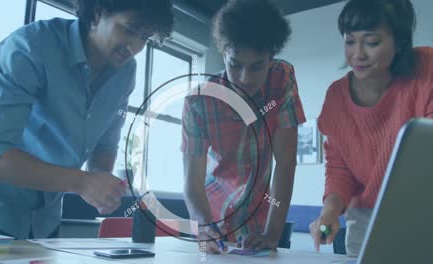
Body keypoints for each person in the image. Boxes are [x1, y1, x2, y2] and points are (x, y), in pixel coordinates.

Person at [0, 0, 174, 239]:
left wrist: (101, 181)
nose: (135, 47)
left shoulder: (126, 73)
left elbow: (105, 145)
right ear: (97, 13)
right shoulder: (31, 46)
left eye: (145, 38)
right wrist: (82, 183)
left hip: (49, 209)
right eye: (129, 30)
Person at [309, 0, 433, 257]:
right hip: (367, 219)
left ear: (399, 42)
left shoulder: (427, 68)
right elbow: (339, 167)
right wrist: (329, 212)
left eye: (372, 42)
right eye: (349, 41)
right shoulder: (336, 97)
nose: (358, 54)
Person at [181, 0, 306, 253]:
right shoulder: (199, 102)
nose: (245, 78)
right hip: (213, 215)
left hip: (261, 218)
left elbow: (285, 162)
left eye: (257, 66)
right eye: (235, 64)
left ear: (271, 57)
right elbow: (192, 180)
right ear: (224, 52)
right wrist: (204, 227)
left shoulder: (282, 79)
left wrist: (272, 234)